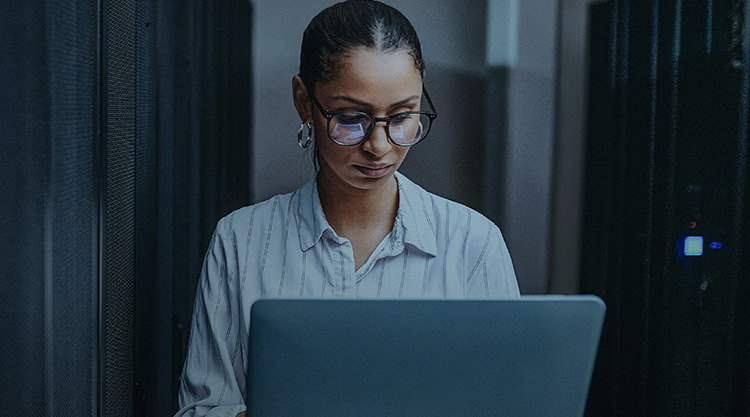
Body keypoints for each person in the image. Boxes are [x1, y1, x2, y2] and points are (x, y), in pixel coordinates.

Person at [174, 1, 520, 416]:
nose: (379, 145)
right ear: (304, 101)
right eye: (351, 117)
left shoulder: (473, 244)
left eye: (402, 116)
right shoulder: (241, 241)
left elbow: (507, 400)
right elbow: (202, 410)